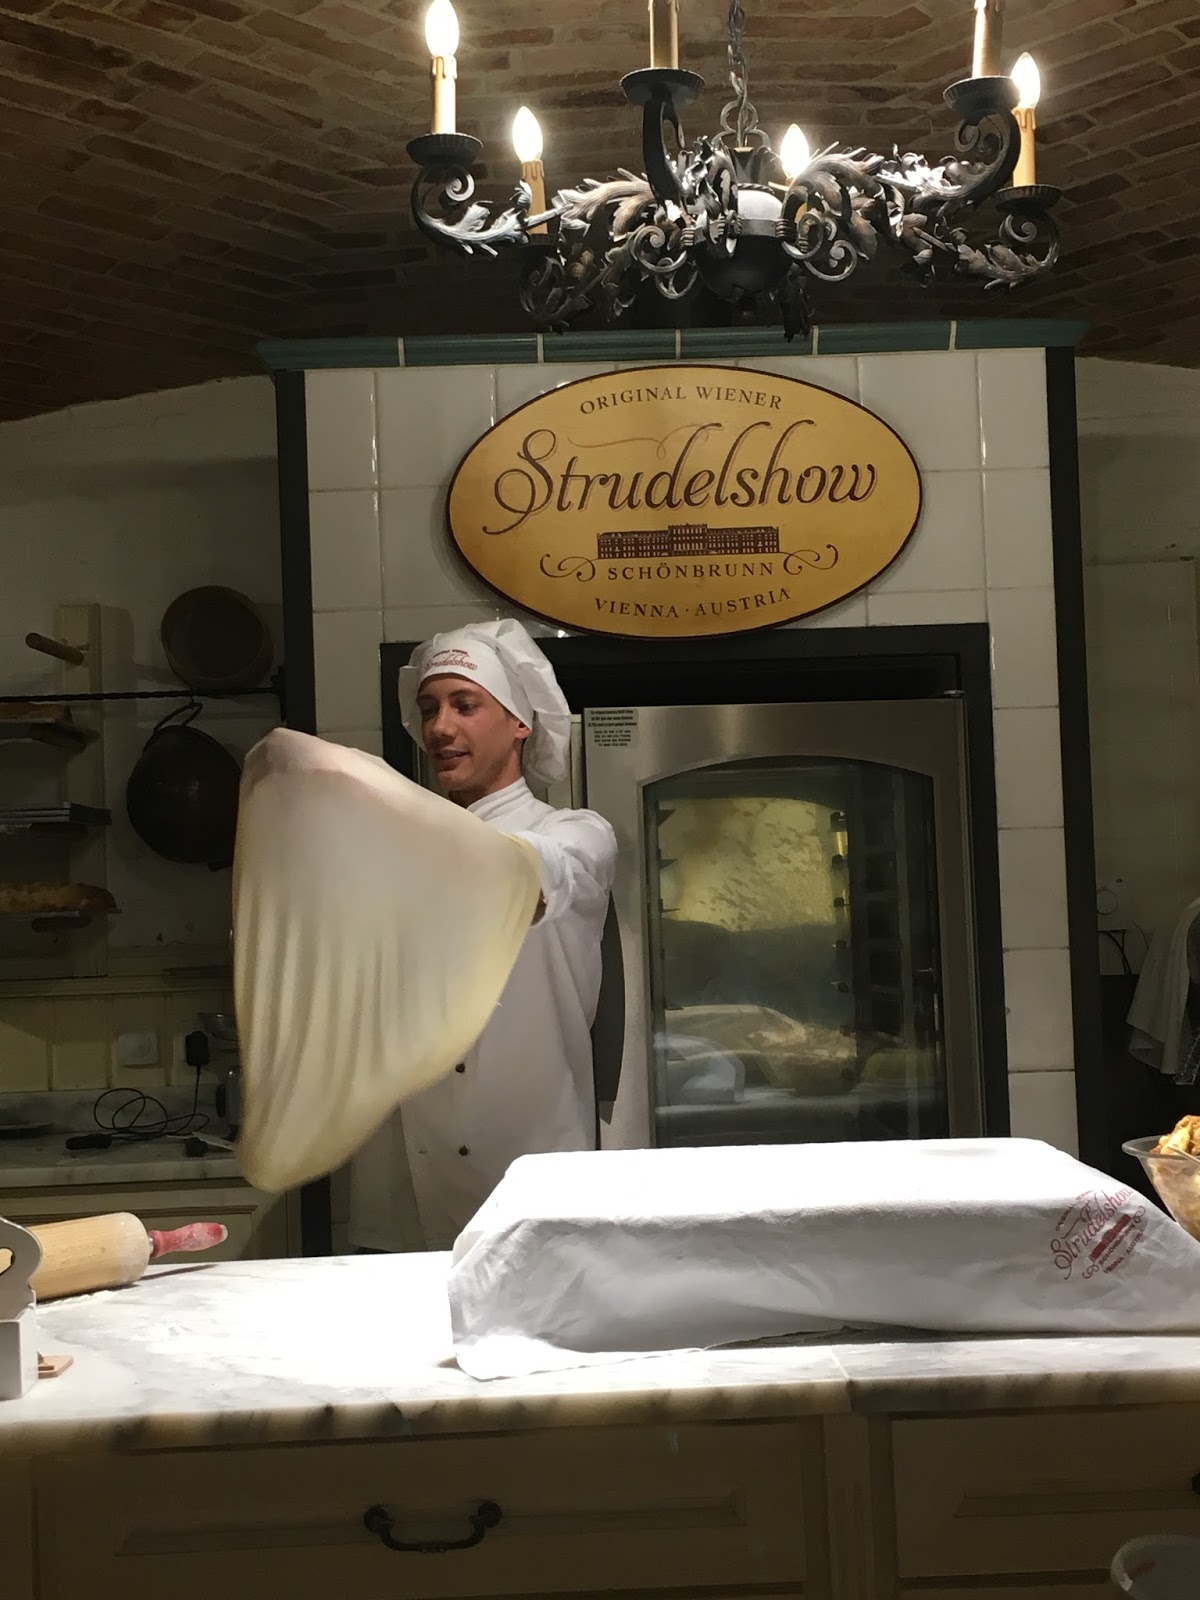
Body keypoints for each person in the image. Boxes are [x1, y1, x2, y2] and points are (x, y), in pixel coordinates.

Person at [347, 618, 618, 1252]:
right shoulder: (391, 845)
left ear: (520, 722)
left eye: (465, 705)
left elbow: (523, 877)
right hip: (404, 1194)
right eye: (430, 708)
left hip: (534, 1187)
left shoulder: (577, 834)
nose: (439, 728)